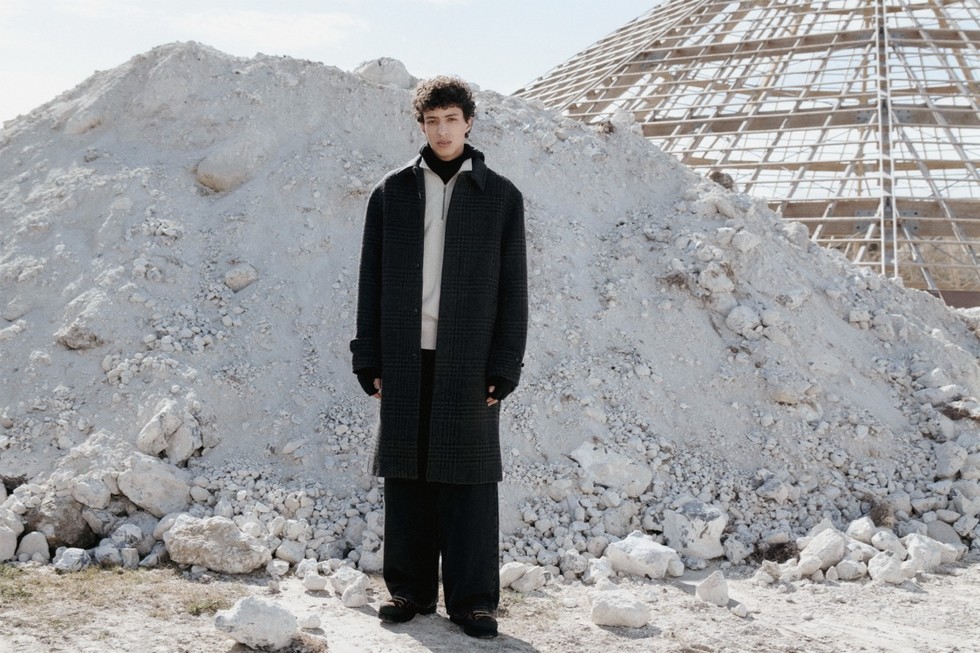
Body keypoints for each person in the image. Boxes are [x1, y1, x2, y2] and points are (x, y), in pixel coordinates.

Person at [349, 75, 528, 640]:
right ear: (421, 125)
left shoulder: (501, 197)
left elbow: (514, 289)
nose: (443, 131)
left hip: (470, 359)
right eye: (433, 121)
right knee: (407, 475)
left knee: (469, 481)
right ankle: (409, 590)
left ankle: (474, 602)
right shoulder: (391, 192)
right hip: (404, 354)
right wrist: (367, 356)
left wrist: (506, 364)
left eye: (452, 119)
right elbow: (370, 280)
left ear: (469, 122)